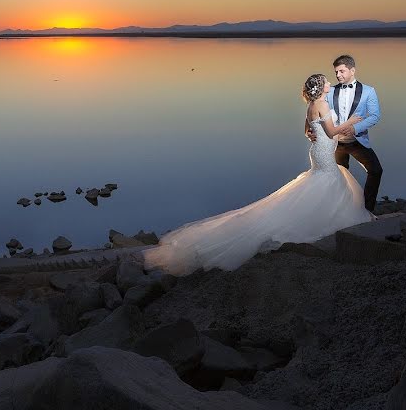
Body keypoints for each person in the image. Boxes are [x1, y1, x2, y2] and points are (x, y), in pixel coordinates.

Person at [143, 73, 375, 276]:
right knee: (331, 180)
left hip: (318, 150)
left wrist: (314, 136)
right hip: (324, 152)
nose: (328, 83)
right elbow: (332, 130)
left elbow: (306, 130)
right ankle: (327, 220)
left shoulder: (312, 105)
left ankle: (325, 214)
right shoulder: (322, 105)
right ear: (320, 87)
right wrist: (351, 122)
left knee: (324, 181)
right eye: (325, 82)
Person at [306, 54, 383, 213]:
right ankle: (339, 213)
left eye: (341, 71)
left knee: (376, 170)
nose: (338, 75)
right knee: (338, 178)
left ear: (352, 70)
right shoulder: (329, 90)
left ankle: (367, 210)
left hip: (357, 141)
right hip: (333, 145)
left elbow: (375, 116)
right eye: (336, 72)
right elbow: (313, 111)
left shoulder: (369, 91)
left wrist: (356, 128)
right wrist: (309, 131)